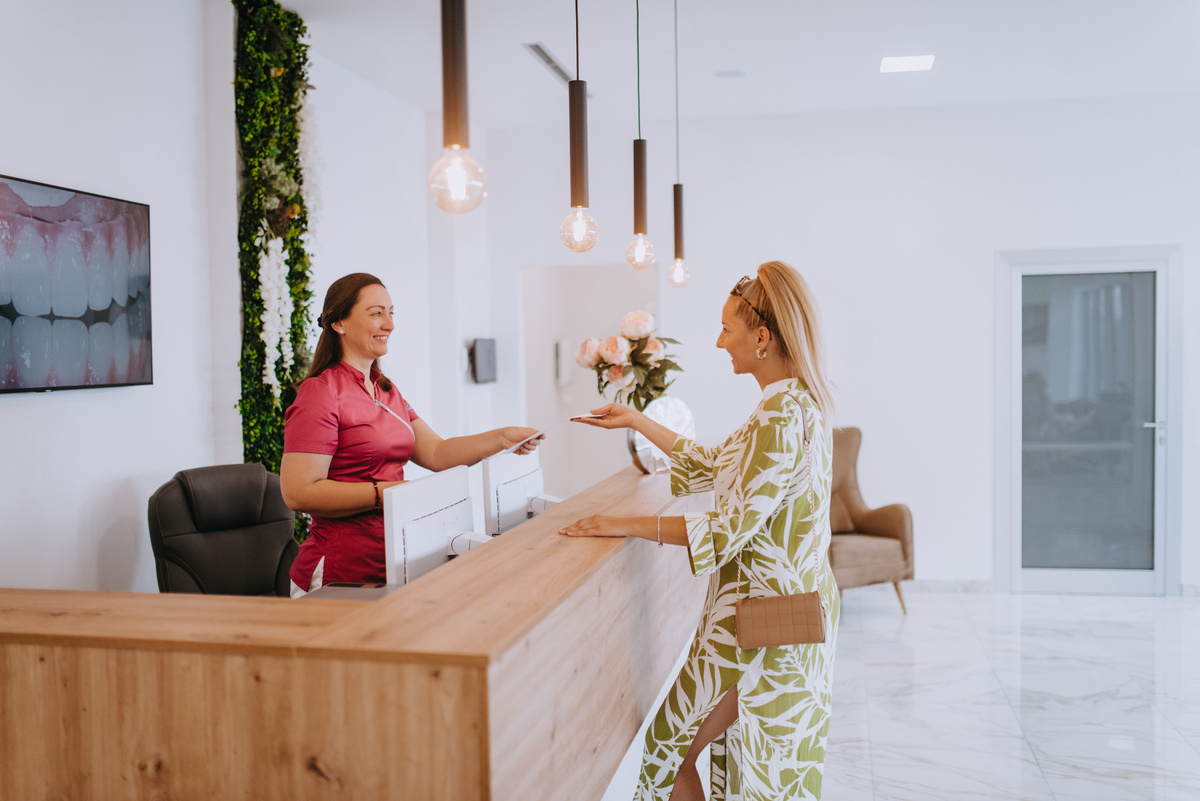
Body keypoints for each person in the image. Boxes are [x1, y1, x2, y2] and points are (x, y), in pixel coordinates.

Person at [560, 261, 838, 800]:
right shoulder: (787, 404)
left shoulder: (780, 417)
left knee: (669, 748)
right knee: (689, 749)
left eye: (726, 330)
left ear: (761, 338)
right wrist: (637, 420)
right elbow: (713, 463)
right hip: (771, 618)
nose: (717, 342)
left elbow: (727, 527)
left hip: (762, 625)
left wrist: (618, 524)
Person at [280, 272, 541, 596]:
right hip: (341, 569)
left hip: (395, 560)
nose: (389, 324)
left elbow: (436, 452)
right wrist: (387, 493)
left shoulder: (385, 389)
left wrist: (502, 438)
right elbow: (298, 492)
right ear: (338, 323)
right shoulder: (320, 392)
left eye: (391, 313)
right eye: (376, 313)